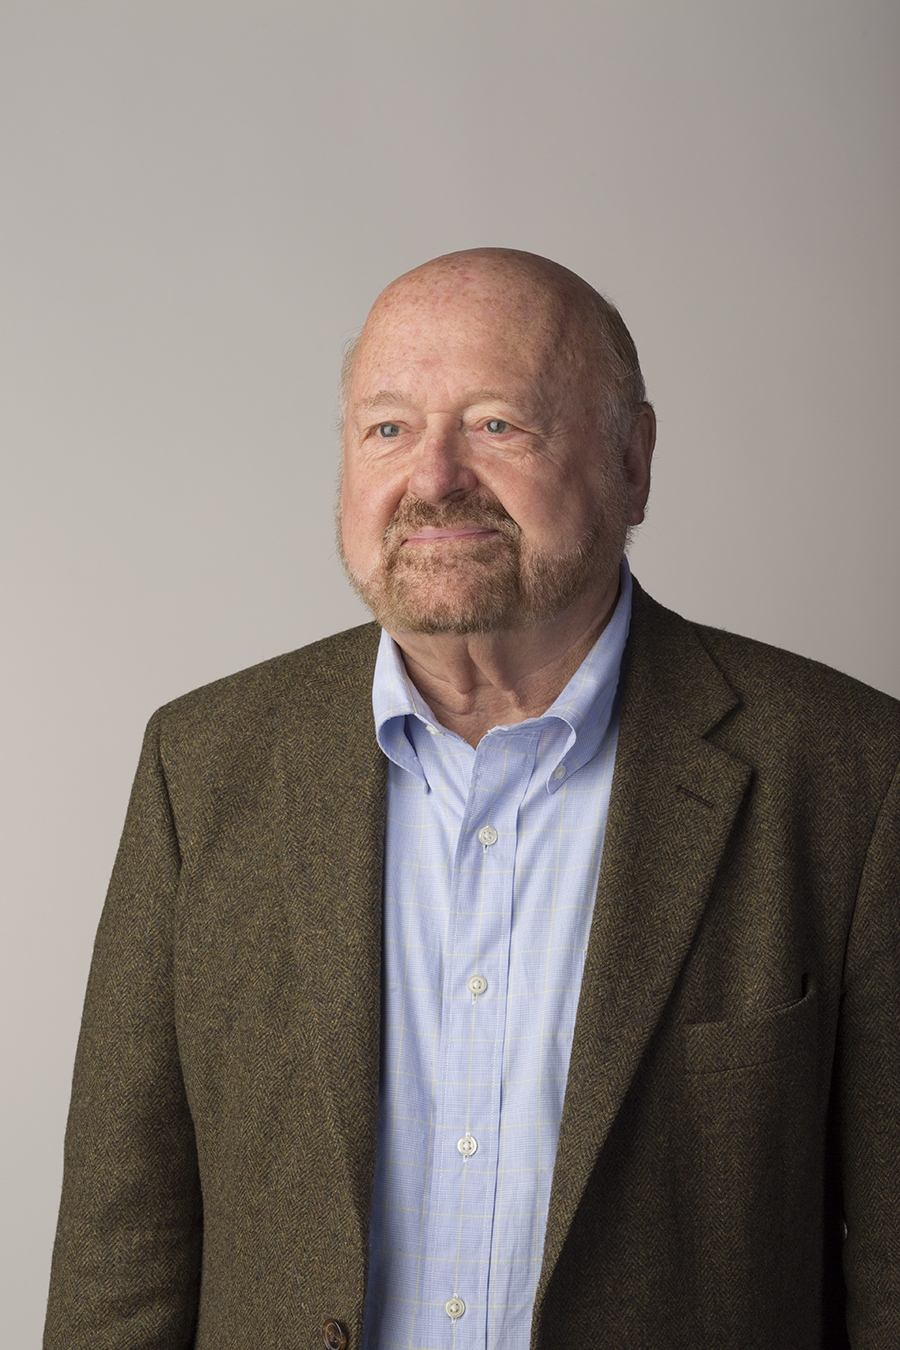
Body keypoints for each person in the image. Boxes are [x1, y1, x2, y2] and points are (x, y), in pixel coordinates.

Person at [44, 249, 900, 1350]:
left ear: (633, 461)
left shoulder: (848, 775)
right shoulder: (202, 767)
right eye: (389, 428)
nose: (435, 475)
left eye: (499, 423)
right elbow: (121, 1262)